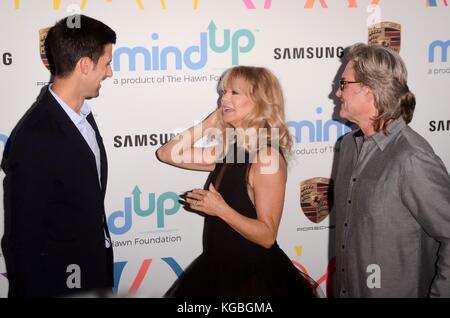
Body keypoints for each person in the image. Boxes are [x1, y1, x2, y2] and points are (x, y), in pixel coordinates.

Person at [156, 66, 317, 298]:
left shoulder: (266, 157)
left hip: (253, 279)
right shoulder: (232, 151)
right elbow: (167, 153)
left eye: (234, 92)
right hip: (217, 268)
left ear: (260, 101)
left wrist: (221, 210)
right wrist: (210, 122)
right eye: (223, 92)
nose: (224, 98)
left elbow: (267, 235)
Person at [1, 15, 116, 297]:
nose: (110, 73)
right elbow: (22, 241)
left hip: (93, 274)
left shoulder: (82, 116)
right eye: (107, 63)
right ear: (85, 66)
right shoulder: (34, 137)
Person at [333, 43, 450, 297]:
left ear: (371, 90)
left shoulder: (411, 157)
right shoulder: (347, 148)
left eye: (344, 84)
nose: (338, 93)